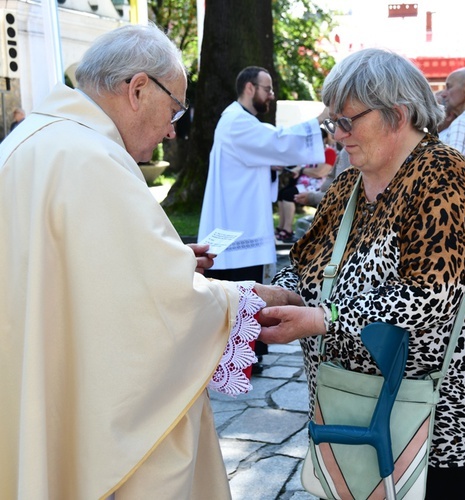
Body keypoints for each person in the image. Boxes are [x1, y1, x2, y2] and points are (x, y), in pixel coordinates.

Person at [0, 24, 303, 499]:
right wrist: (247, 298)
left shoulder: (34, 140)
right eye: (175, 109)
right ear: (138, 89)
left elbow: (71, 268)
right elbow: (158, 309)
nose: (172, 128)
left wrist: (169, 257)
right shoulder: (92, 159)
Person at [257, 48, 465, 499]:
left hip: (437, 422)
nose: (338, 135)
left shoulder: (442, 173)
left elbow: (431, 294)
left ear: (396, 115)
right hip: (354, 407)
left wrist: (322, 319)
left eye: (347, 121)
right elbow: (308, 264)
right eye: (333, 122)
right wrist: (283, 295)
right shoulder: (349, 184)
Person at [198, 65, 327, 371]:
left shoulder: (242, 121)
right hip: (236, 225)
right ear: (249, 88)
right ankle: (239, 359)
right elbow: (279, 142)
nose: (271, 94)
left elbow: (271, 148)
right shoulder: (236, 122)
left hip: (242, 221)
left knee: (247, 291)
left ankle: (249, 354)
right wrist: (321, 120)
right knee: (241, 291)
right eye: (267, 88)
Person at [276, 128, 338, 243]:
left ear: (324, 139)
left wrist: (302, 170)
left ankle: (287, 229)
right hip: (303, 183)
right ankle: (281, 227)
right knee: (281, 194)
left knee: (288, 195)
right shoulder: (309, 153)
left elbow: (320, 172)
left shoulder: (329, 152)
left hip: (316, 186)